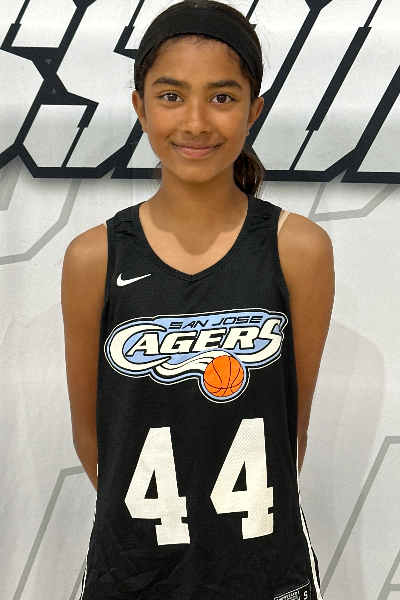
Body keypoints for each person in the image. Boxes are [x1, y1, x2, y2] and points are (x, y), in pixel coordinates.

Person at [61, 1, 334, 598]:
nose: (195, 122)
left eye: (222, 97)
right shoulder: (93, 257)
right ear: (140, 106)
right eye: (170, 95)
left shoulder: (299, 249)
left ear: (254, 109)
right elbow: (92, 437)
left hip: (263, 569)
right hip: (131, 568)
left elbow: (290, 431)